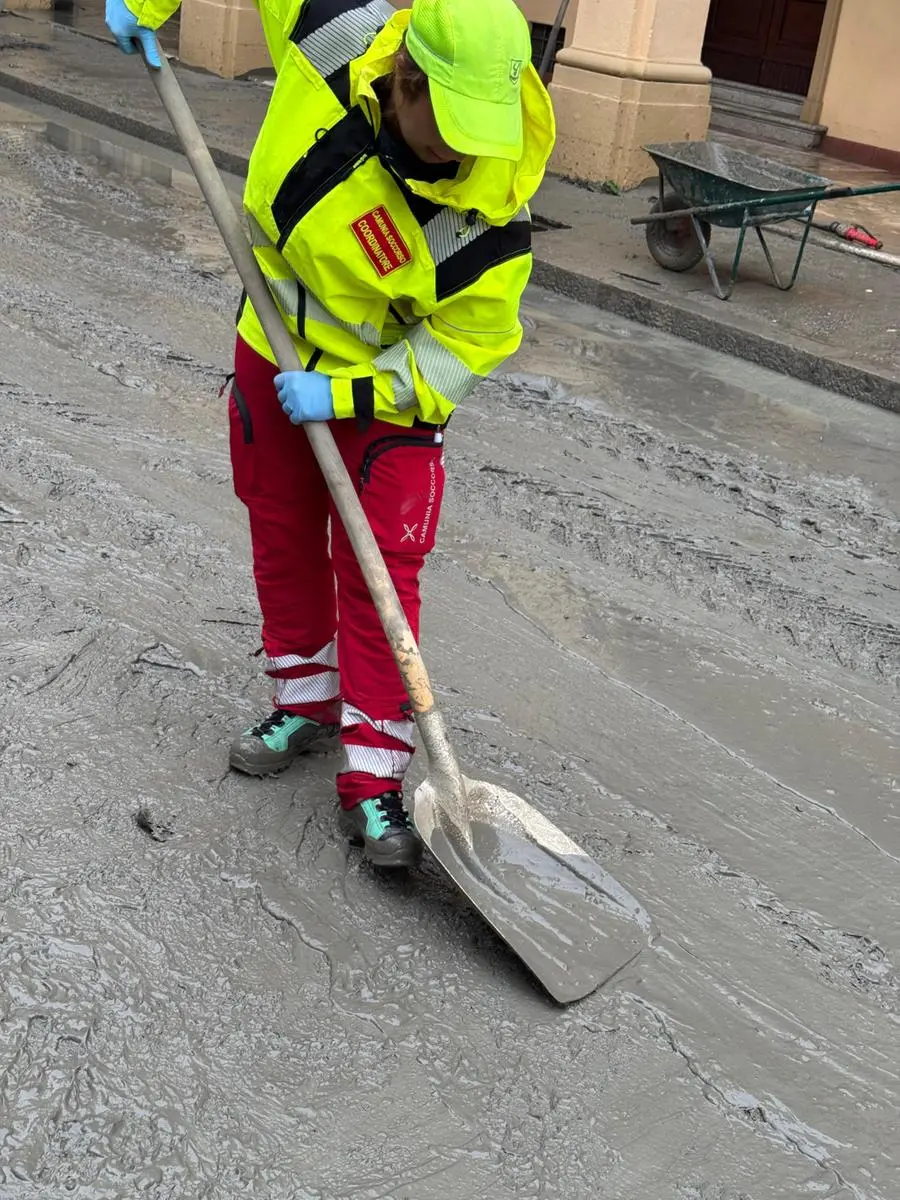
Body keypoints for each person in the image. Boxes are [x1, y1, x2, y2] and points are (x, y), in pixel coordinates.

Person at [106, 0, 555, 868]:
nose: (463, 152)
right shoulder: (330, 33)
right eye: (446, 127)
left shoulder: (493, 217)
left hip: (387, 397)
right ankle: (304, 703)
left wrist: (348, 392)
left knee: (382, 569)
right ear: (404, 80)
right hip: (270, 337)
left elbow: (463, 349)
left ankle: (376, 772)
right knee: (279, 527)